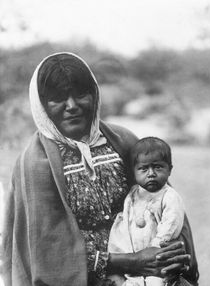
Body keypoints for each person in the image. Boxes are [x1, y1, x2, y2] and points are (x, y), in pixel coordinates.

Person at [2, 52, 199, 286]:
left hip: (149, 269)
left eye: (81, 94)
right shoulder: (35, 164)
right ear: (42, 105)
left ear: (94, 94)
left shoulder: (124, 141)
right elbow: (48, 253)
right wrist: (129, 261)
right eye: (57, 98)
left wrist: (168, 251)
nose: (72, 106)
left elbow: (165, 201)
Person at [108, 137, 190, 286]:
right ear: (134, 172)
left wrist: (156, 247)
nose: (151, 173)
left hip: (158, 258)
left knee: (156, 282)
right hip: (135, 259)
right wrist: (126, 254)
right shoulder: (132, 195)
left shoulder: (169, 196)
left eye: (158, 167)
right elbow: (125, 222)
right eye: (143, 169)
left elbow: (171, 223)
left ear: (169, 169)